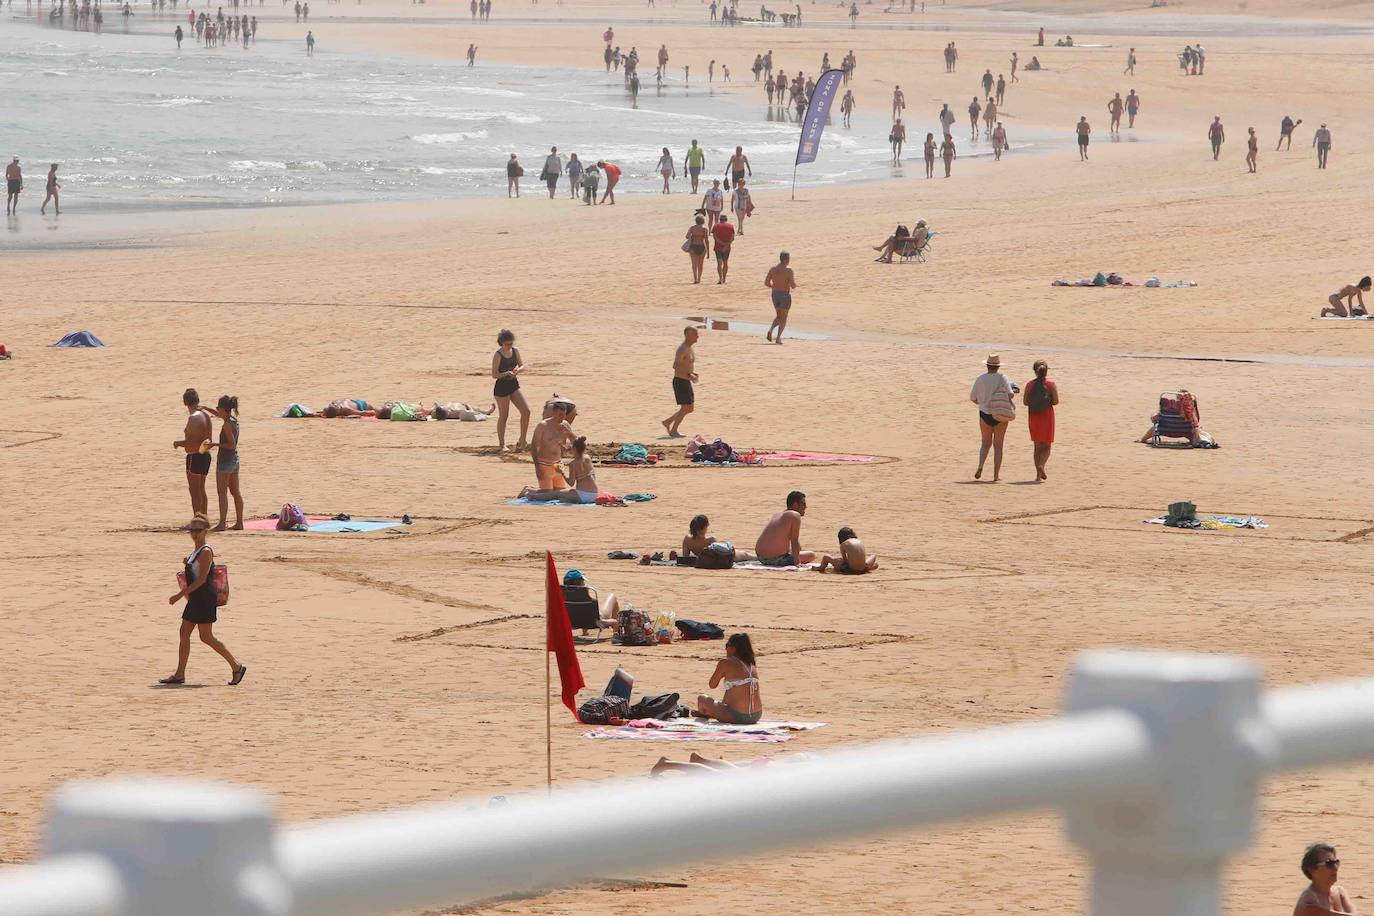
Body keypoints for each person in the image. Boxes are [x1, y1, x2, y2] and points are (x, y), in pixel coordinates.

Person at [159, 515, 246, 686]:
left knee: (206, 637)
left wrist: (179, 595)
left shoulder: (206, 551)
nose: (194, 533)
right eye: (192, 530)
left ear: (205, 531)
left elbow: (202, 580)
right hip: (196, 598)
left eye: (198, 530)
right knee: (184, 633)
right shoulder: (196, 551)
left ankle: (236, 666)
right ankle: (179, 674)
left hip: (204, 598)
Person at [694, 633, 762, 724]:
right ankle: (713, 713)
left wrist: (723, 673)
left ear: (734, 648)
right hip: (756, 715)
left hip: (737, 716)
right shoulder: (751, 664)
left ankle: (708, 713)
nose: (726, 649)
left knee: (702, 699)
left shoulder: (726, 662)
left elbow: (712, 685)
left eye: (727, 646)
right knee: (729, 691)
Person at [969, 353, 1017, 482]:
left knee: (985, 444)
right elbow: (1010, 395)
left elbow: (973, 398)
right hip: (1000, 414)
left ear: (987, 366)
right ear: (997, 367)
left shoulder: (980, 379)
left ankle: (980, 466)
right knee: (998, 446)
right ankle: (996, 475)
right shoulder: (1002, 378)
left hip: (984, 413)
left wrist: (983, 402)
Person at [199, 395, 244, 531]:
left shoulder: (226, 425)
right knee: (235, 492)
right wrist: (205, 408)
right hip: (234, 461)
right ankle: (239, 523)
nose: (217, 410)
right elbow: (218, 415)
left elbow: (230, 444)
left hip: (225, 462)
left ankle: (222, 523)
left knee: (222, 493)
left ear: (224, 409)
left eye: (219, 408)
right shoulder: (233, 420)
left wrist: (214, 444)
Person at [517, 436, 599, 503]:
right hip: (594, 494)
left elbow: (571, 483)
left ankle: (530, 495)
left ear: (574, 449)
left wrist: (562, 472)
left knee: (555, 494)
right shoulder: (588, 458)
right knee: (562, 494)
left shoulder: (573, 464)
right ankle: (531, 490)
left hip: (582, 495)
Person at [174, 388, 214, 516]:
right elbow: (208, 440)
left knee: (194, 491)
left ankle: (197, 517)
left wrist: (178, 443)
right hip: (205, 455)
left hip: (194, 456)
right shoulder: (206, 416)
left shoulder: (193, 418)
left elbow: (191, 441)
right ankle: (204, 516)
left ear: (185, 402)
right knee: (201, 489)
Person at [490, 329, 530, 450]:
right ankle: (502, 444)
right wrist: (506, 373)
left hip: (513, 385)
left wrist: (518, 370)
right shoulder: (498, 355)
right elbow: (494, 374)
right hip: (502, 387)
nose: (509, 346)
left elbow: (522, 365)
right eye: (507, 344)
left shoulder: (515, 351)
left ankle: (522, 441)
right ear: (501, 343)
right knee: (504, 416)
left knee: (526, 411)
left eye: (511, 344)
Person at [1293, 843, 1357, 916]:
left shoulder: (1340, 892)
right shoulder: (1309, 900)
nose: (1335, 867)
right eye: (1329, 863)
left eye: (1336, 862)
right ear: (1312, 870)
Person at [754, 491, 814, 566]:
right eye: (803, 504)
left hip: (760, 557)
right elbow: (794, 541)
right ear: (795, 505)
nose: (805, 507)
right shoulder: (795, 515)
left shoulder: (778, 514)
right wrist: (797, 563)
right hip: (775, 559)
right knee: (811, 555)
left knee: (796, 550)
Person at [1023, 359, 1058, 481]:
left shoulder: (1029, 384)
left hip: (1034, 416)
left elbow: (1025, 402)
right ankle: (1041, 465)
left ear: (1035, 371)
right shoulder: (1051, 383)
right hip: (1047, 416)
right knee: (1047, 446)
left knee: (1037, 446)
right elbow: (1056, 402)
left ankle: (1038, 475)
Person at [530, 400, 575, 488]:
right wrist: (537, 467)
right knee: (547, 494)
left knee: (560, 492)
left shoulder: (565, 425)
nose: (562, 417)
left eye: (564, 415)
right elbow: (534, 446)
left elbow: (576, 442)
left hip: (558, 464)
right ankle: (528, 490)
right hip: (544, 464)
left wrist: (569, 433)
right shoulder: (543, 426)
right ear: (554, 413)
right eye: (560, 415)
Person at [663, 326, 698, 437]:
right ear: (687, 335)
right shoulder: (682, 349)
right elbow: (676, 366)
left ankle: (668, 422)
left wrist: (692, 373)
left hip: (686, 380)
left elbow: (686, 365)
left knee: (689, 408)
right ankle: (673, 430)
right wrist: (689, 375)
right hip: (680, 381)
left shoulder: (689, 348)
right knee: (686, 407)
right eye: (695, 334)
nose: (698, 336)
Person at [764, 252, 796, 343]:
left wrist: (774, 286)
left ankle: (770, 330)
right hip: (784, 295)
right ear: (786, 259)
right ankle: (778, 338)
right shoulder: (789, 270)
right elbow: (793, 285)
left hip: (775, 294)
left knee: (778, 316)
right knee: (784, 317)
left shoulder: (773, 269)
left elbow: (766, 283)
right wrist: (794, 285)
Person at [685, 214, 709, 283]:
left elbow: (687, 236)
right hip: (702, 247)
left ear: (696, 221)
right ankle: (699, 278)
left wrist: (693, 236)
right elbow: (707, 241)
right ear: (703, 221)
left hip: (693, 246)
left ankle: (695, 279)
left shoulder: (692, 228)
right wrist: (708, 252)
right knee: (700, 264)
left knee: (694, 264)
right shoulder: (704, 229)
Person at [711, 213, 734, 283]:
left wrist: (722, 244)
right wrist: (726, 245)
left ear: (720, 219)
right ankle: (724, 279)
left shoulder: (716, 226)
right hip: (727, 248)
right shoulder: (730, 226)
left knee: (719, 263)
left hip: (718, 247)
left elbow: (715, 237)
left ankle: (720, 278)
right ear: (726, 219)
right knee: (725, 262)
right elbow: (732, 238)